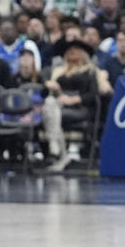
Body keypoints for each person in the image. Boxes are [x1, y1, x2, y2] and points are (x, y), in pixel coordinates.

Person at [42, 40, 99, 171]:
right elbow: (44, 93)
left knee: (51, 113)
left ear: (83, 54)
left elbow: (93, 94)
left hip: (80, 108)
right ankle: (59, 152)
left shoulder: (89, 71)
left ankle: (57, 151)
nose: (72, 51)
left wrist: (73, 100)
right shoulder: (57, 71)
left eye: (76, 49)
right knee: (50, 104)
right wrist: (48, 86)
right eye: (70, 49)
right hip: (58, 105)